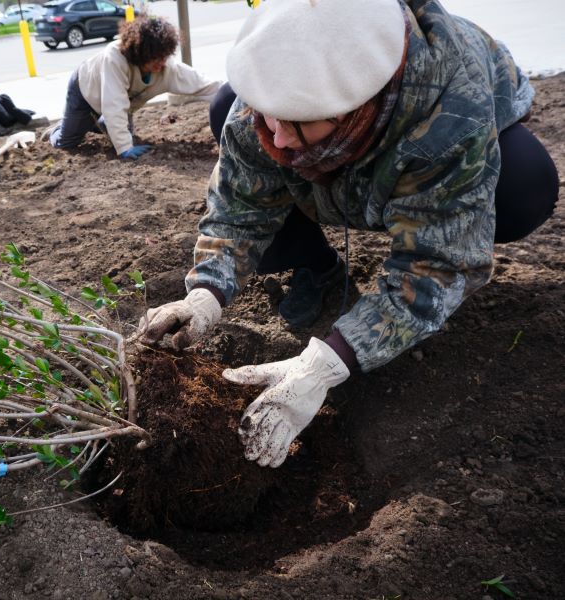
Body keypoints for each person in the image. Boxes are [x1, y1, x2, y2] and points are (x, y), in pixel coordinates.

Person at [136, 0, 558, 468]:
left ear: (357, 107)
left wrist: (329, 362)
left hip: (456, 140)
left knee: (524, 186)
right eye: (268, 113)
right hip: (351, 160)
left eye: (296, 119)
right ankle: (317, 267)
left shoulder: (452, 114)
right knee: (227, 113)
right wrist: (205, 292)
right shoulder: (272, 95)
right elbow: (240, 204)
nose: (275, 136)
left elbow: (438, 262)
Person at [45, 17, 222, 159]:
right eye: (155, 58)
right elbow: (114, 104)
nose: (161, 64)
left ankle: (100, 122)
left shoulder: (167, 67)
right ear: (140, 53)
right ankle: (58, 129)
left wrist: (234, 93)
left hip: (118, 103)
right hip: (86, 90)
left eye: (164, 57)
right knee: (68, 142)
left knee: (120, 130)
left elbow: (204, 85)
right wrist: (124, 148)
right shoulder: (114, 58)